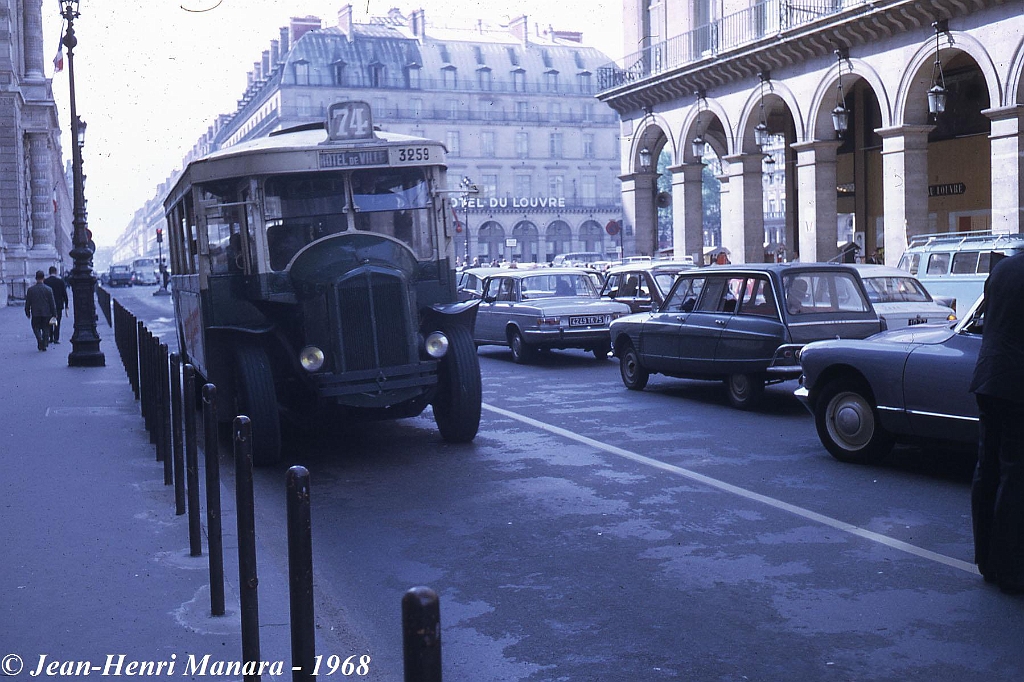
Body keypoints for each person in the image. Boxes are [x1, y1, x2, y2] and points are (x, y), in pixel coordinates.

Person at [969, 251, 1024, 593]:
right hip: (1017, 385)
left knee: (987, 466)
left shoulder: (1003, 268)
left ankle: (987, 560)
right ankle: (1009, 568)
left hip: (988, 377)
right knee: (1015, 474)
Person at [24, 270, 57, 352]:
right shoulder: (48, 289)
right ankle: (44, 343)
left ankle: (39, 339)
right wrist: (54, 313)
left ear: (36, 278)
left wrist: (27, 311)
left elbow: (28, 302)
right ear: (43, 278)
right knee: (46, 328)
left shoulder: (31, 290)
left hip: (35, 313)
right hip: (46, 313)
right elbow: (52, 303)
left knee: (35, 327)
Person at [43, 266, 68, 344]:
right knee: (57, 321)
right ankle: (56, 338)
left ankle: (50, 337)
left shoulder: (45, 281)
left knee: (49, 321)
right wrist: (66, 304)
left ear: (49, 272)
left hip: (48, 305)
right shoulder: (60, 281)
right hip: (58, 304)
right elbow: (64, 294)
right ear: (56, 272)